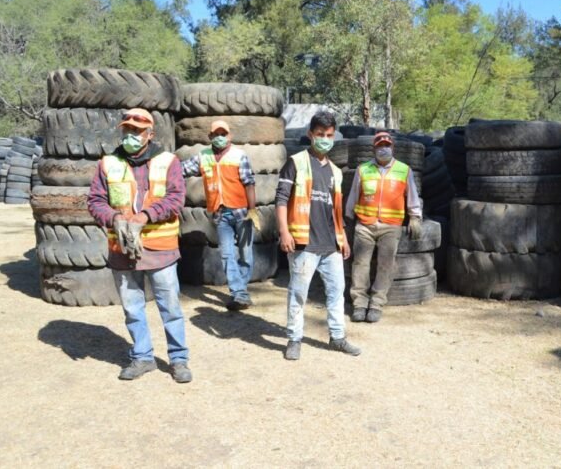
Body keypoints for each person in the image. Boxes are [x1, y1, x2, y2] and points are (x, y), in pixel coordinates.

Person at [87, 108, 191, 383]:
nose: (131, 135)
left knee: (170, 308)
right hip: (122, 250)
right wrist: (114, 218)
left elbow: (176, 198)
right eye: (128, 130)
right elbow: (95, 201)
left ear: (150, 134)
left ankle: (178, 360)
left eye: (137, 130)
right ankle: (143, 357)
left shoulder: (168, 161)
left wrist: (145, 216)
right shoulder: (108, 163)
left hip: (160, 249)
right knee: (132, 308)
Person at [275, 110, 361, 360]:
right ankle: (294, 339)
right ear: (310, 134)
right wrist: (284, 231)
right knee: (298, 294)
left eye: (329, 135)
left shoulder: (335, 171)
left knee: (336, 293)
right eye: (320, 134)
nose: (325, 139)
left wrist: (343, 238)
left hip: (330, 245)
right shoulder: (296, 162)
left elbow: (336, 210)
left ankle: (337, 337)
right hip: (304, 244)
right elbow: (281, 200)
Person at [180, 120, 259, 311]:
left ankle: (241, 290)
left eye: (223, 134)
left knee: (245, 253)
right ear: (210, 136)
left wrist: (252, 210)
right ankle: (239, 293)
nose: (220, 137)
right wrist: (163, 165)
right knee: (226, 254)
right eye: (216, 134)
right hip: (220, 213)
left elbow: (249, 183)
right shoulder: (203, 156)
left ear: (229, 136)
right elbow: (181, 169)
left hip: (242, 212)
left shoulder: (239, 155)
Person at [344, 132, 422, 323]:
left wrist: (415, 216)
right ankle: (359, 303)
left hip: (391, 226)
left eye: (387, 145)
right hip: (365, 224)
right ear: (374, 148)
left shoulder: (404, 170)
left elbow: (412, 194)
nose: (383, 149)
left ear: (392, 147)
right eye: (380, 146)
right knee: (360, 264)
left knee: (386, 264)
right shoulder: (363, 169)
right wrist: (347, 218)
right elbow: (354, 194)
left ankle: (377, 304)